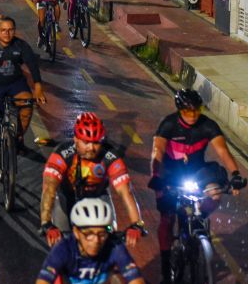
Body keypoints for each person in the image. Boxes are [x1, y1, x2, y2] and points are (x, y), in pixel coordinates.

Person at [149, 88, 247, 283]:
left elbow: (223, 151)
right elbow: (157, 152)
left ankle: (199, 218)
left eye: (196, 110)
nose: (193, 115)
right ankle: (166, 264)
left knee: (216, 194)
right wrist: (156, 175)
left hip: (197, 172)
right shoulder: (168, 124)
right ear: (179, 111)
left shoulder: (208, 125)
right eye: (187, 111)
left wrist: (235, 174)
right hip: (169, 174)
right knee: (167, 220)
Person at [40, 112, 145, 249]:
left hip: (99, 198)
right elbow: (49, 189)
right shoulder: (61, 154)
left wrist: (136, 224)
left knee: (109, 240)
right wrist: (47, 224)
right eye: (86, 142)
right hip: (67, 197)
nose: (91, 148)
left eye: (96, 142)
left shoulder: (110, 156)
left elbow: (126, 193)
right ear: (76, 139)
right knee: (60, 246)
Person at [0, 17, 47, 178]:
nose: (7, 33)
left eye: (11, 30)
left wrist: (38, 88)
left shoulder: (20, 46)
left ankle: (17, 139)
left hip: (15, 84)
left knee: (26, 107)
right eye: (3, 30)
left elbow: (32, 65)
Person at [35, 198, 145, 284]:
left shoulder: (114, 247)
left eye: (102, 234)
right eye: (88, 234)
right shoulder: (63, 248)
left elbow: (135, 279)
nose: (96, 240)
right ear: (76, 232)